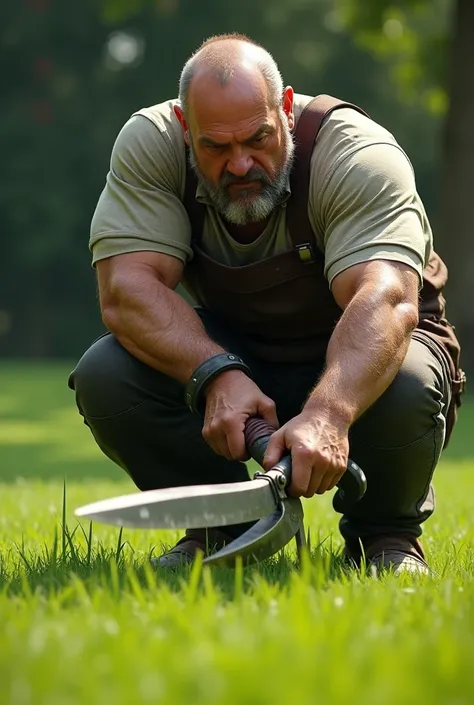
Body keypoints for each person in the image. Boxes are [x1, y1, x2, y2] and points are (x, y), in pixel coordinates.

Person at [68, 33, 464, 575]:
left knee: (410, 379)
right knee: (106, 374)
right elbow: (126, 292)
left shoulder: (357, 154)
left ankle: (386, 538)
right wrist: (216, 374)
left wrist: (327, 414)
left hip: (366, 356)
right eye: (216, 148)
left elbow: (387, 300)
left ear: (284, 109)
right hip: (240, 355)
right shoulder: (151, 144)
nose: (240, 165)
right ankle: (223, 527)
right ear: (187, 131)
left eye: (257, 139)